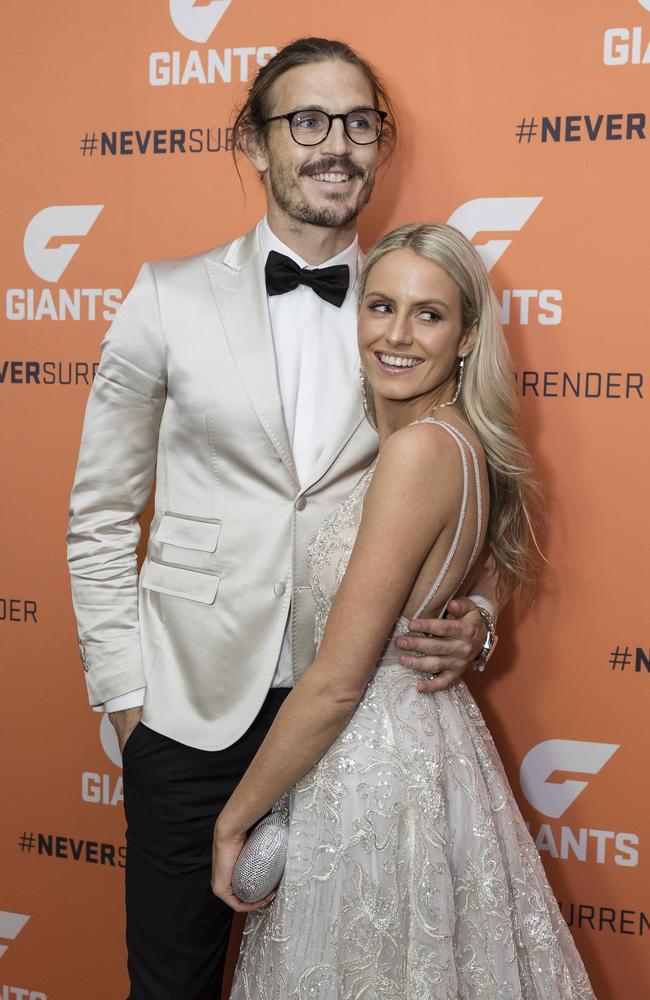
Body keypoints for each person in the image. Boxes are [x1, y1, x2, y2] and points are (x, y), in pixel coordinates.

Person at [66, 39, 498, 1000]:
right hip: (185, 716)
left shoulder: (402, 311)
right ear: (255, 145)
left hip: (348, 729)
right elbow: (98, 516)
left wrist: (480, 616)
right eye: (306, 120)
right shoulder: (167, 296)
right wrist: (131, 710)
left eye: (357, 123)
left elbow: (471, 485)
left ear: (379, 147)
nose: (334, 144)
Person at [212, 223, 596, 999]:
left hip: (371, 767)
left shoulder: (419, 451)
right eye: (380, 305)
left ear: (466, 337)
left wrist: (233, 819)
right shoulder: (453, 440)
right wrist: (481, 613)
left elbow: (336, 684)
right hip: (423, 748)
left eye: (428, 314)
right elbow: (483, 558)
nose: (396, 333)